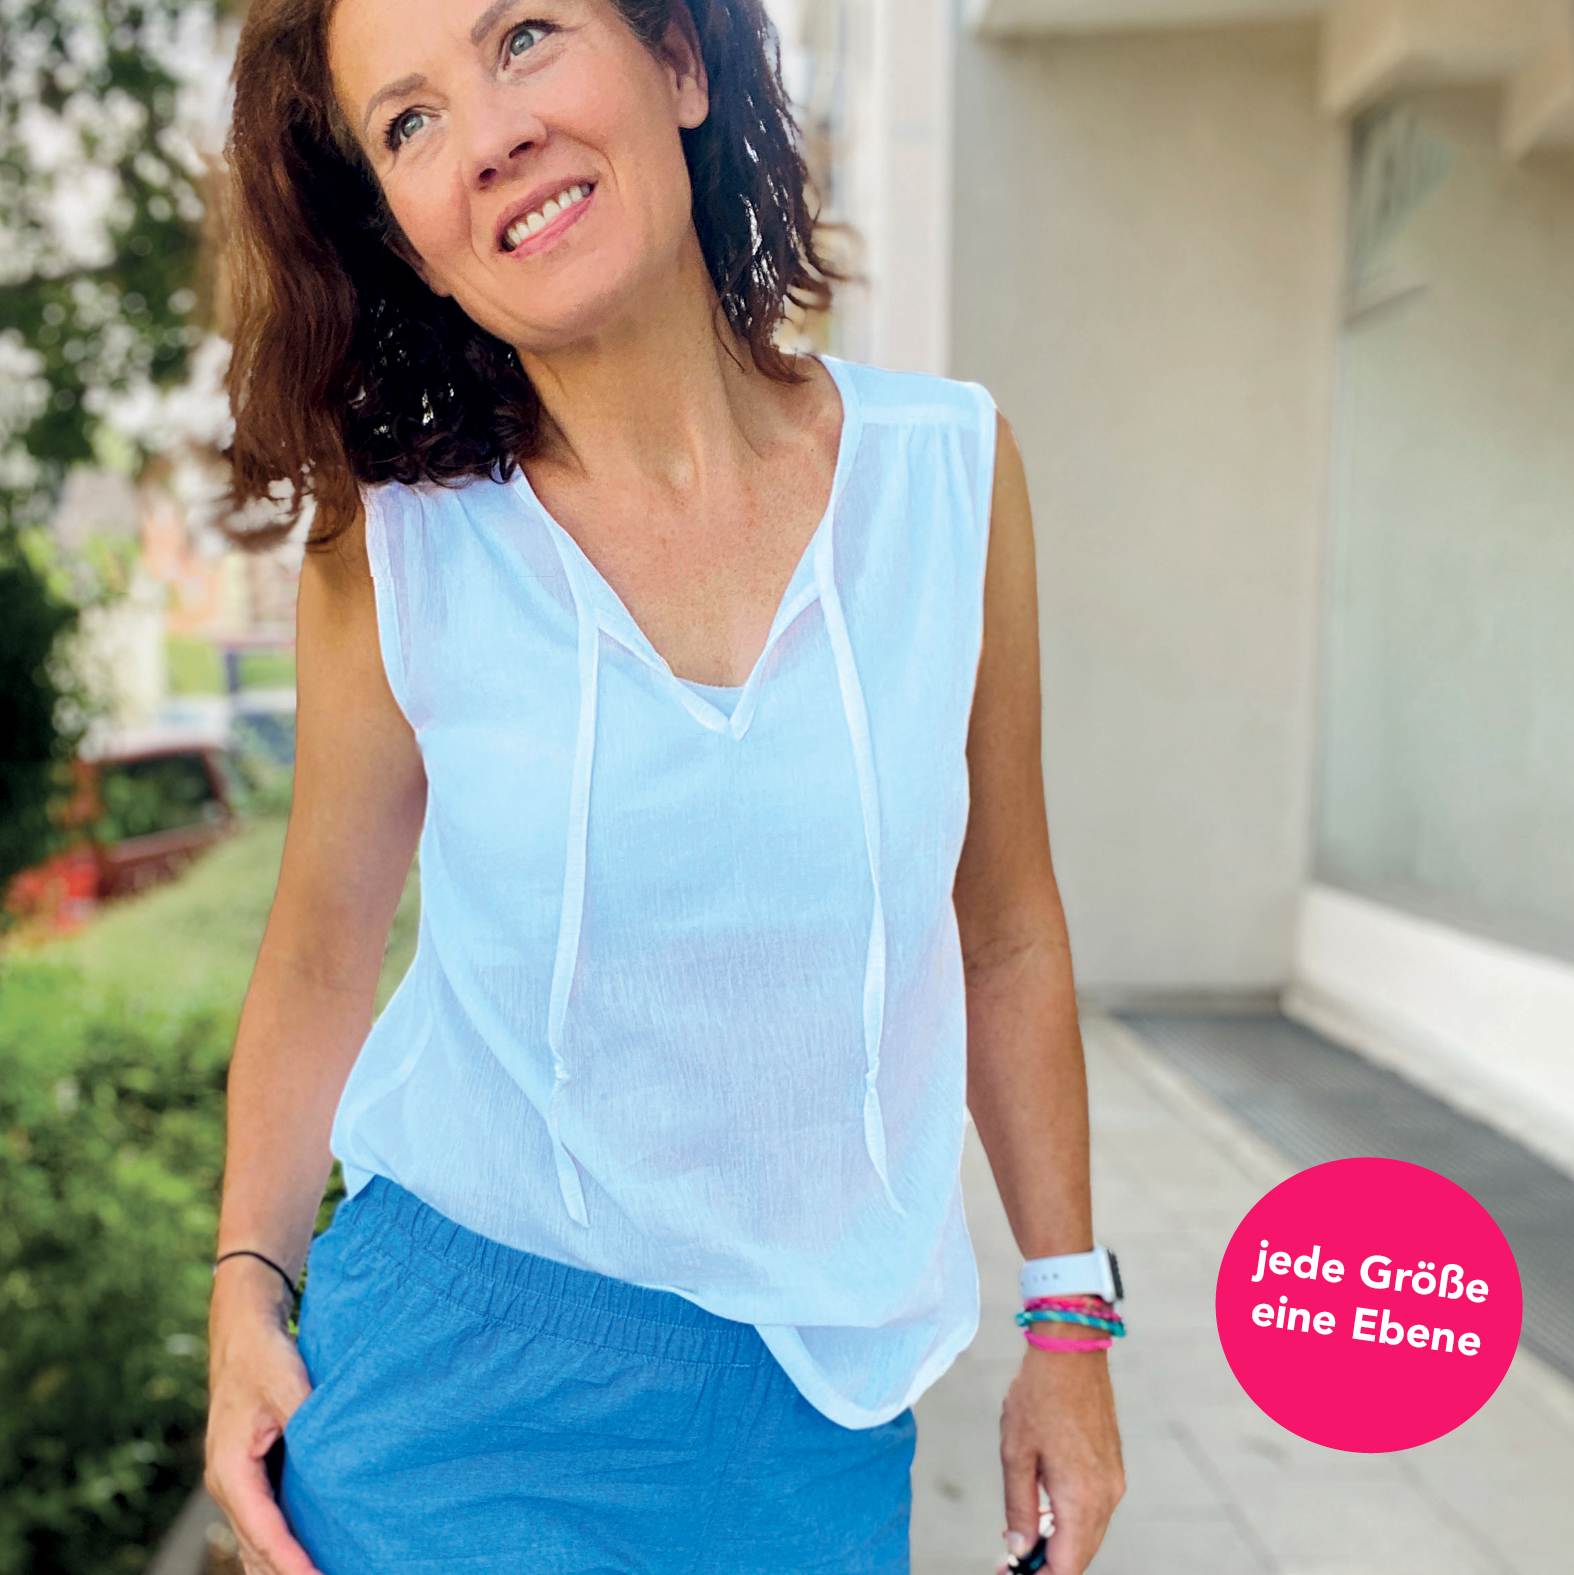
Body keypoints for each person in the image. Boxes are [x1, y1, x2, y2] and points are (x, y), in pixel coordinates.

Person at [201, 1, 1126, 1571]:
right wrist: (244, 1297)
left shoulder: (951, 479)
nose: (491, 135)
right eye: (409, 122)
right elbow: (320, 956)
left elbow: (1007, 932)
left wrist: (1070, 1323)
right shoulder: (396, 551)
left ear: (683, 65)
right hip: (444, 1392)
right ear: (408, 238)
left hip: (814, 1417)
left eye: (524, 37)